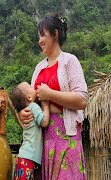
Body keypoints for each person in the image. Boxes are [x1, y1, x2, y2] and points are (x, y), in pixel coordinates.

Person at [19, 14, 88, 179]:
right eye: (38, 37)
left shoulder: (70, 61)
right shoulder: (38, 68)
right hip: (42, 142)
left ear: (55, 34)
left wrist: (50, 94)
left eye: (43, 35)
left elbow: (82, 100)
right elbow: (31, 100)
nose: (40, 40)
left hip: (67, 137)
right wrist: (24, 112)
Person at [11, 82, 50, 180]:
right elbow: (44, 122)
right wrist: (45, 105)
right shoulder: (33, 107)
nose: (34, 87)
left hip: (23, 156)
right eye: (31, 87)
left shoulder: (26, 109)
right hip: (28, 157)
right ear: (29, 97)